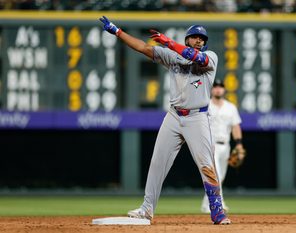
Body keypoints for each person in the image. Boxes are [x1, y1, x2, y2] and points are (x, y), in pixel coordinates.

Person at [99, 16, 231, 225]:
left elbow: (197, 58)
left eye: (201, 38)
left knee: (206, 164)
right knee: (157, 162)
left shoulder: (210, 58)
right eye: (194, 37)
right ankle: (146, 209)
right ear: (187, 40)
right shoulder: (172, 57)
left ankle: (217, 211)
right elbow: (142, 47)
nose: (198, 40)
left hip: (197, 117)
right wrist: (117, 31)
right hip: (174, 115)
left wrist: (169, 42)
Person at [200, 79, 245, 213]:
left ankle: (205, 204)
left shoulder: (230, 107)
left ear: (224, 90)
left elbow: (235, 126)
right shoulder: (205, 106)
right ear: (212, 90)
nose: (218, 89)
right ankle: (218, 204)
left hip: (225, 145)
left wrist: (239, 144)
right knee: (217, 175)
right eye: (216, 87)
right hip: (210, 145)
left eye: (220, 87)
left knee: (221, 177)